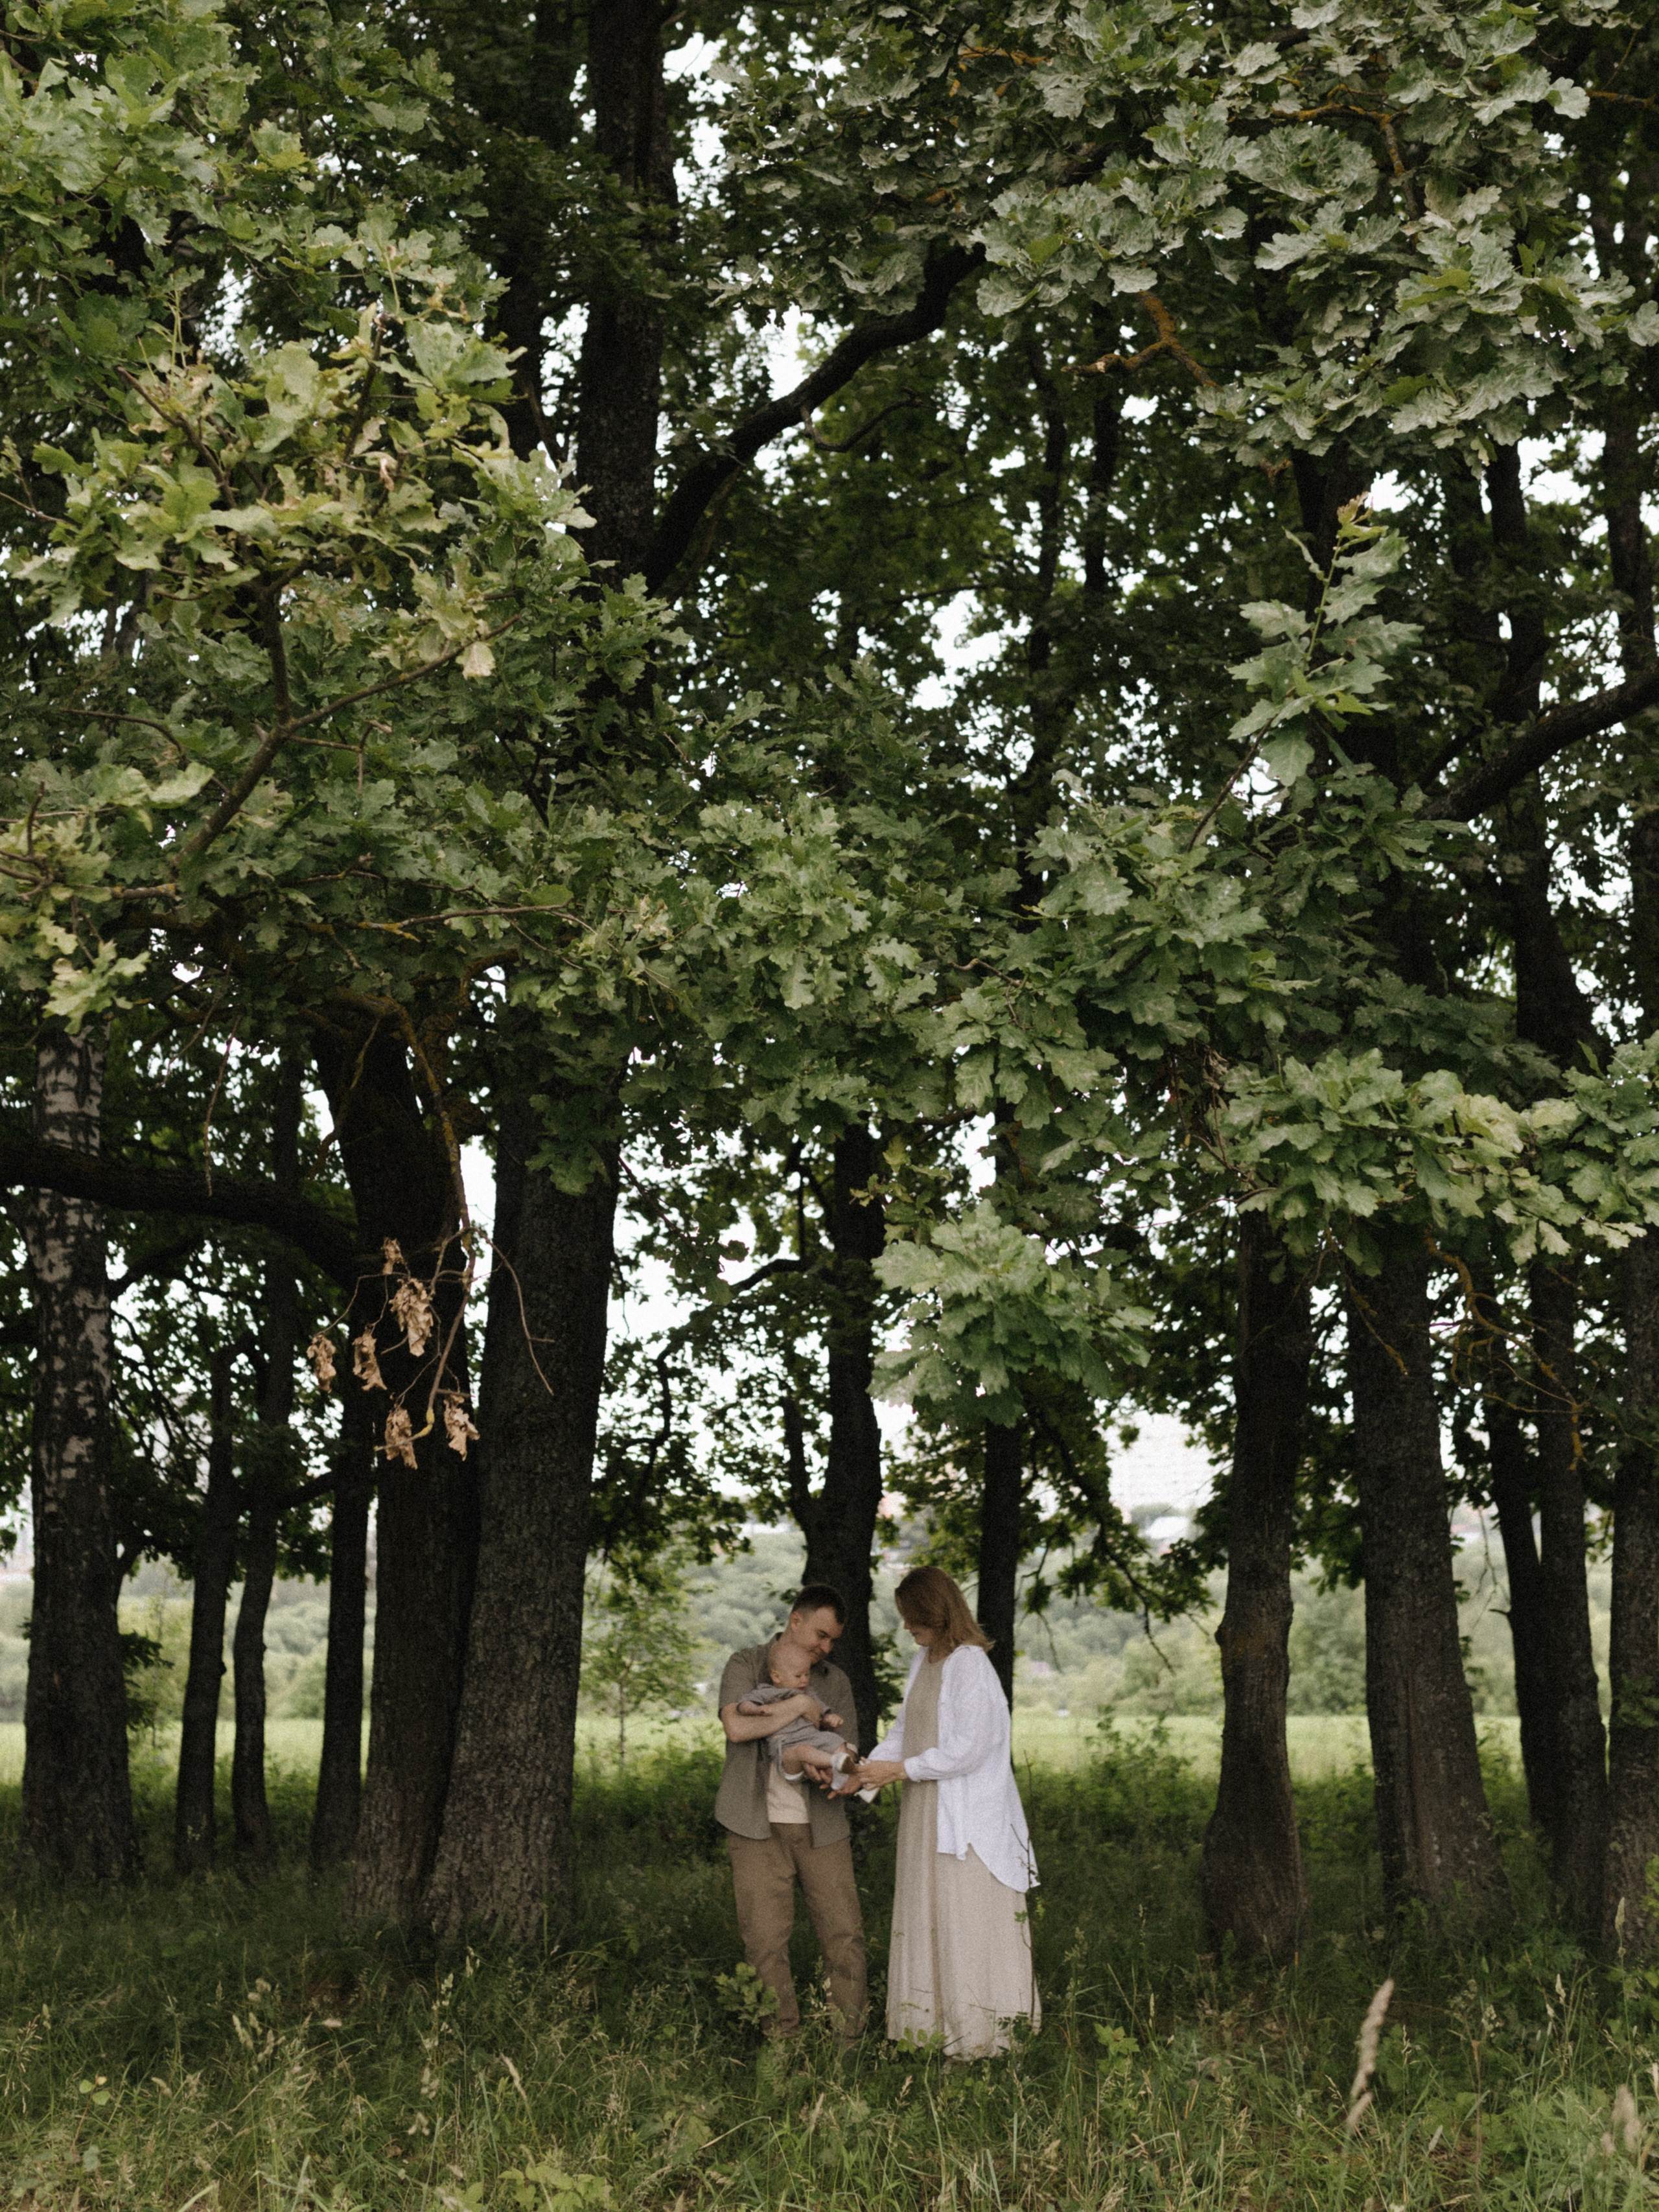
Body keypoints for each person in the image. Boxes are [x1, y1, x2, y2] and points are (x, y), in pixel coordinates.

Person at [856, 1565, 1039, 2060]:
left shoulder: (970, 1664)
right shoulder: (925, 1660)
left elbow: (968, 1748)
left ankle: (981, 2036)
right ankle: (928, 2030)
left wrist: (901, 1770)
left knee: (964, 1916)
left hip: (961, 1813)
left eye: (913, 1617)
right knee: (927, 1912)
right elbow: (905, 1730)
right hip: (924, 1807)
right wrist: (867, 1768)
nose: (907, 1627)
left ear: (936, 1614)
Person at [717, 1584, 868, 2042]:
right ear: (795, 1619)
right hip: (754, 1825)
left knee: (844, 1936)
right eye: (821, 1635)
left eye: (833, 1641)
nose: (827, 1647)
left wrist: (834, 1775)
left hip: (822, 1826)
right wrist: (800, 1707)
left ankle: (847, 2044)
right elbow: (738, 1726)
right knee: (765, 1943)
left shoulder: (835, 1680)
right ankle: (782, 2045)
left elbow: (850, 1751)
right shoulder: (746, 1664)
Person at [735, 1640, 864, 1793]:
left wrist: (829, 1718)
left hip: (812, 1738)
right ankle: (835, 1762)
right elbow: (743, 1704)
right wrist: (757, 1710)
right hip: (787, 1745)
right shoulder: (768, 1692)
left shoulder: (809, 1693)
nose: (804, 1680)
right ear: (777, 1677)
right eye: (798, 1676)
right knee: (802, 1751)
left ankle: (840, 1776)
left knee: (837, 1741)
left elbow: (821, 1714)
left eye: (807, 1674)